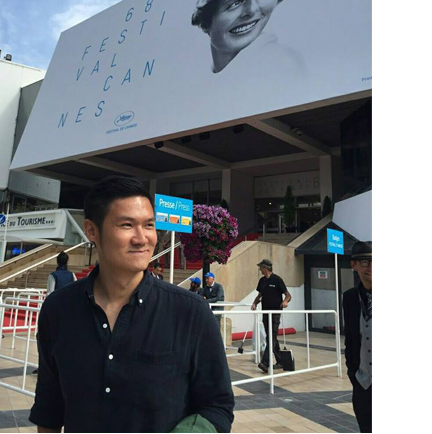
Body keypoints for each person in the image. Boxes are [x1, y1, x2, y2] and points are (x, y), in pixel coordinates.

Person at [30, 176, 234, 433]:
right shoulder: (58, 309)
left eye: (149, 225)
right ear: (92, 231)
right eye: (127, 225)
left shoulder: (191, 312)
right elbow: (49, 410)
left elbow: (218, 406)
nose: (142, 238)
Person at [342, 241, 372, 433]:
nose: (371, 268)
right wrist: (353, 372)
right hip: (363, 383)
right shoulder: (350, 297)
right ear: (353, 265)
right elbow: (350, 339)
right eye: (365, 262)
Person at [250, 258, 291, 373]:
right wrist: (254, 303)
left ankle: (265, 362)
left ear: (266, 268)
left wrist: (285, 302)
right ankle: (280, 361)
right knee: (270, 337)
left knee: (271, 336)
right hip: (265, 313)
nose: (260, 269)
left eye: (261, 267)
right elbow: (260, 295)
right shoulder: (262, 281)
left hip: (275, 313)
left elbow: (288, 295)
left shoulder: (277, 280)